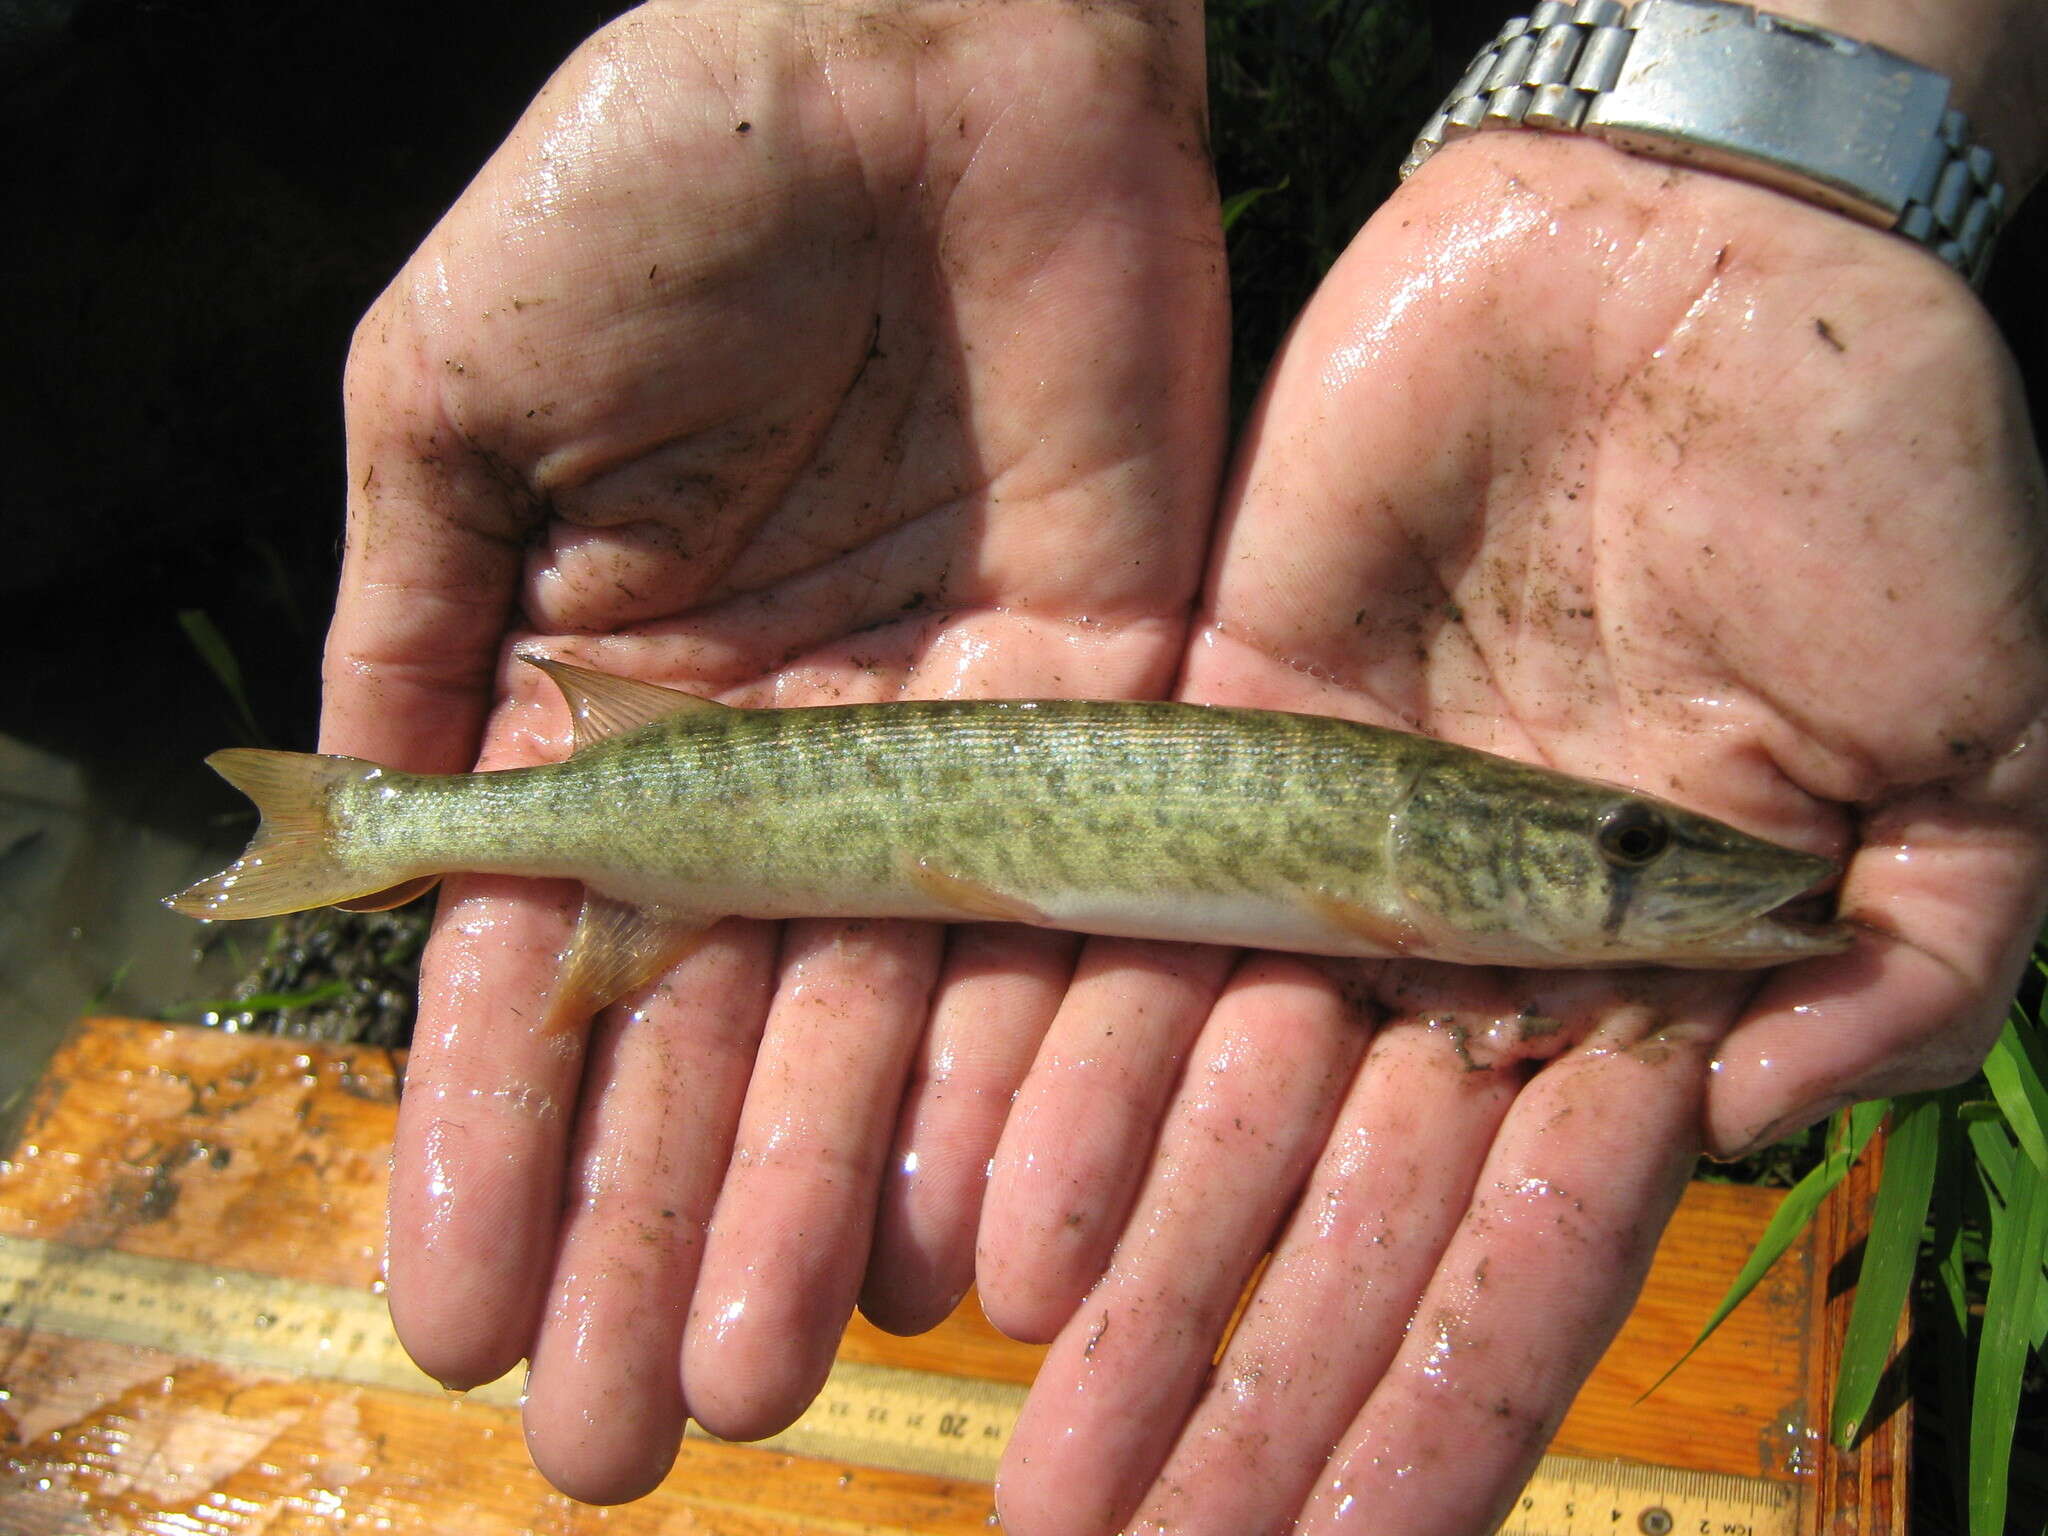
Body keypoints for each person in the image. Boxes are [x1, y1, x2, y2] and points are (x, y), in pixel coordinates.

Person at [322, 0, 2048, 1526]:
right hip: (665, 817)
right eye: (1618, 855)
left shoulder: (1440, 874)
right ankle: (367, 834)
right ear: (1442, 858)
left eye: (1625, 856)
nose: (1647, 875)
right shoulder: (1415, 879)